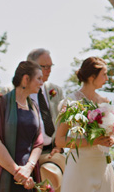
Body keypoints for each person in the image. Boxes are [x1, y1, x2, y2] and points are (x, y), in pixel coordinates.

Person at [54, 57, 114, 192]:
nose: (107, 79)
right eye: (104, 74)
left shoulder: (104, 101)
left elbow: (109, 131)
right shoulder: (72, 101)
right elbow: (60, 141)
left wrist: (110, 139)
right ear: (92, 77)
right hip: (80, 167)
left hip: (102, 165)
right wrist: (91, 141)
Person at [0, 60, 45, 191]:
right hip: (2, 171)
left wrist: (28, 168)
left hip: (27, 174)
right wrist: (18, 172)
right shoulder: (0, 104)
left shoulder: (34, 107)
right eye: (38, 78)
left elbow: (38, 143)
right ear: (26, 79)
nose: (42, 83)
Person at [26, 49, 65, 192]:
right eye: (44, 66)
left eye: (50, 66)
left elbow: (63, 121)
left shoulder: (55, 90)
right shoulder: (15, 91)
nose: (48, 70)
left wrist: (59, 146)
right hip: (25, 153)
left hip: (51, 152)